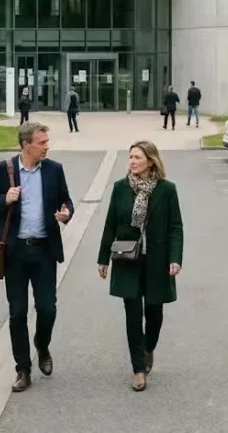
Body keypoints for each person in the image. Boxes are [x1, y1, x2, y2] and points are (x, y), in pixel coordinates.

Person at [0, 122, 75, 393]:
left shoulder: (54, 170)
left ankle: (42, 344)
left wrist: (66, 212)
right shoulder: (3, 170)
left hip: (44, 250)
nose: (47, 146)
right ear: (26, 145)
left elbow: (66, 201)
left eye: (47, 141)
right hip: (15, 252)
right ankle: (23, 369)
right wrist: (4, 199)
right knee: (17, 312)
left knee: (48, 308)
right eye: (42, 142)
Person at [97, 140, 184, 392]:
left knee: (154, 313)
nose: (132, 162)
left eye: (137, 157)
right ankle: (137, 369)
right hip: (127, 260)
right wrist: (103, 258)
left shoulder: (167, 190)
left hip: (157, 261)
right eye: (130, 157)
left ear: (150, 161)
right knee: (133, 315)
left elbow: (176, 227)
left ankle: (148, 348)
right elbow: (110, 224)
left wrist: (175, 258)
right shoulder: (121, 188)